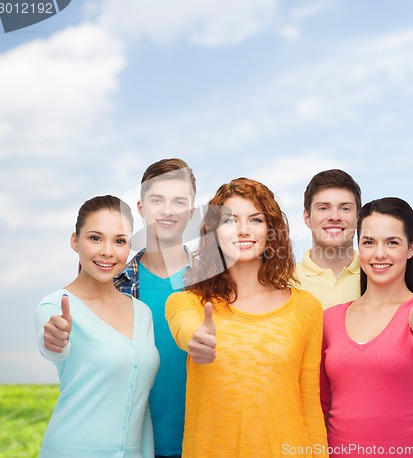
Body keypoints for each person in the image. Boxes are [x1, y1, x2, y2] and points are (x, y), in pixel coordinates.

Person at [165, 177, 328, 458]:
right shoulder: (186, 303)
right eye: (230, 221)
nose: (243, 230)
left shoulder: (307, 308)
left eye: (255, 220)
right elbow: (185, 327)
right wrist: (195, 338)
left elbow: (309, 404)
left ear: (271, 230)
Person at [320, 197, 413, 458]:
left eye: (392, 242)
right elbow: (321, 403)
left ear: (411, 247)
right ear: (359, 247)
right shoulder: (329, 320)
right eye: (369, 242)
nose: (379, 254)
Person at [35, 195, 160, 458]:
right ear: (74, 241)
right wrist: (54, 341)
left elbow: (141, 404)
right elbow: (52, 345)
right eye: (95, 238)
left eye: (119, 241)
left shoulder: (142, 312)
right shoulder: (55, 306)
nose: (107, 251)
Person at [114, 158, 196, 458]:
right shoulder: (114, 283)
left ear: (191, 211)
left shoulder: (216, 284)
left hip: (203, 443)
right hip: (132, 445)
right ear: (141, 207)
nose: (167, 210)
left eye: (179, 201)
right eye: (157, 200)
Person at [295, 169, 362, 309]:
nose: (334, 217)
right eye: (323, 208)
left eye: (345, 208)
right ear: (307, 218)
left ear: (358, 218)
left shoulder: (378, 277)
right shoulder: (282, 282)